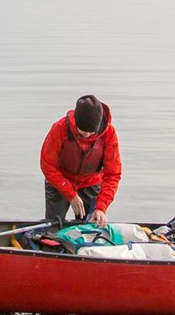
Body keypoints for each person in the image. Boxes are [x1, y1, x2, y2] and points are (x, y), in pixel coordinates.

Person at [40, 94, 122, 226]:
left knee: (91, 225)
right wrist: (70, 194)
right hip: (60, 181)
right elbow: (47, 165)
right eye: (82, 132)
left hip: (91, 182)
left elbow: (113, 174)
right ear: (76, 122)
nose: (87, 136)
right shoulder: (59, 128)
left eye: (92, 133)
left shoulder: (109, 133)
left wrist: (101, 206)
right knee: (54, 225)